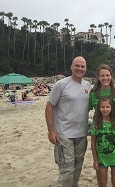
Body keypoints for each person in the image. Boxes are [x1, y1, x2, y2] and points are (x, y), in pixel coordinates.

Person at [45, 56, 92, 187]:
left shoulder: (87, 85)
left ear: (86, 69)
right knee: (67, 169)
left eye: (82, 66)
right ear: (71, 67)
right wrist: (51, 131)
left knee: (78, 166)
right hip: (64, 134)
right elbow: (49, 107)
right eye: (77, 65)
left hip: (82, 134)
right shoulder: (61, 84)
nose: (79, 68)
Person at [89, 64, 115, 186]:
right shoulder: (94, 92)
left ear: (111, 76)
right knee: (101, 173)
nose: (105, 78)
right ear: (98, 77)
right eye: (102, 75)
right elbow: (85, 109)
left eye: (108, 75)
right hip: (99, 127)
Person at [91, 97, 115, 187]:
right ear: (99, 108)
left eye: (108, 107)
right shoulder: (95, 123)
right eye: (102, 107)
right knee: (103, 181)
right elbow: (92, 143)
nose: (105, 109)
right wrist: (95, 159)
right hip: (102, 158)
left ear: (112, 108)